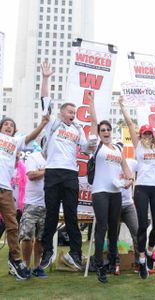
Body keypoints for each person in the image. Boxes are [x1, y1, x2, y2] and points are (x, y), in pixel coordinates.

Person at [39, 62, 90, 270]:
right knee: (51, 214)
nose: (73, 114)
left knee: (71, 215)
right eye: (70, 111)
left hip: (70, 174)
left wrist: (92, 143)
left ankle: (75, 254)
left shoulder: (78, 128)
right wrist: (46, 78)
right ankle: (47, 252)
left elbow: (86, 149)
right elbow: (44, 100)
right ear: (61, 112)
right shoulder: (52, 123)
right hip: (52, 172)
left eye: (75, 112)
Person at [119, 96, 155, 279]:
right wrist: (123, 107)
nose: (147, 136)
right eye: (144, 134)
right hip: (141, 188)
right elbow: (130, 124)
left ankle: (148, 250)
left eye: (149, 134)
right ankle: (141, 260)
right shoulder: (139, 146)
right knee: (141, 224)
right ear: (141, 136)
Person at [89, 95, 133, 283]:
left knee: (113, 231)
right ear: (99, 133)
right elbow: (93, 121)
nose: (105, 132)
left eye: (108, 129)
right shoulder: (97, 147)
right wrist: (91, 103)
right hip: (100, 192)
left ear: (111, 132)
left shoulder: (116, 148)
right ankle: (98, 265)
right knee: (102, 227)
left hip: (116, 193)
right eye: (102, 130)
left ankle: (111, 262)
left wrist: (130, 178)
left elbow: (125, 167)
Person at [0, 115, 49, 280]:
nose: (8, 126)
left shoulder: (16, 142)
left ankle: (16, 260)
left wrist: (43, 123)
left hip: (5, 190)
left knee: (12, 226)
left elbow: (31, 136)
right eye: (5, 124)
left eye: (11, 125)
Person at [19, 141, 47, 278]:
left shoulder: (57, 159)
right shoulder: (34, 157)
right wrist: (48, 171)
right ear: (43, 144)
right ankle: (25, 266)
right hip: (32, 204)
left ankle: (37, 267)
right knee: (27, 236)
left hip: (48, 205)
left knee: (41, 238)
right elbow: (31, 175)